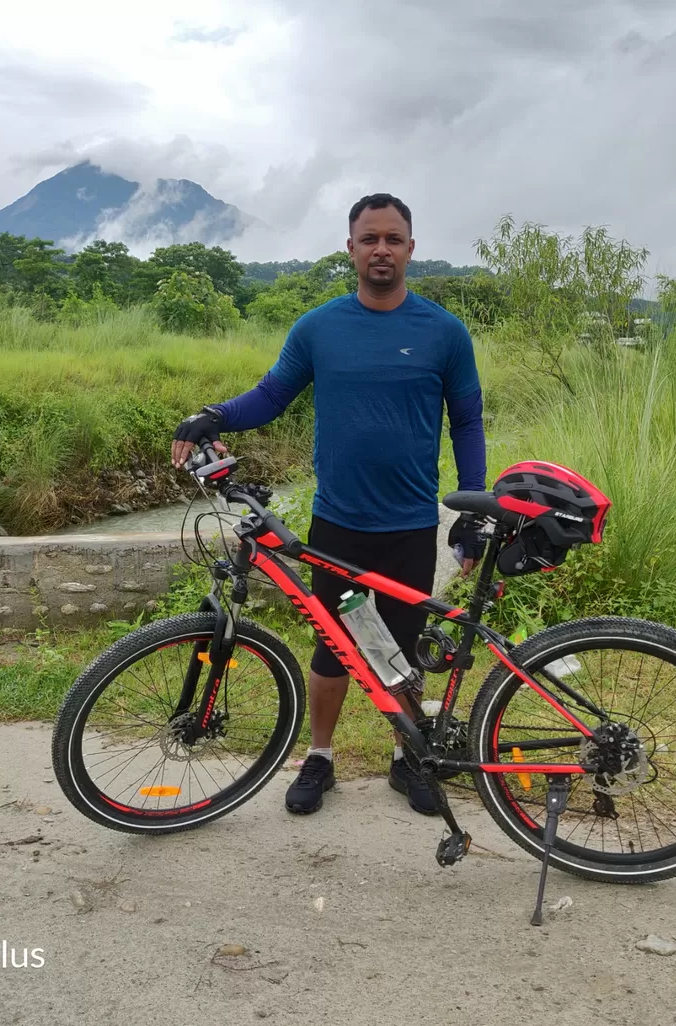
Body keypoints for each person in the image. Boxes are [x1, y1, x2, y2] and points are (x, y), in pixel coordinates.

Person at [170, 193, 488, 816]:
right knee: (333, 646)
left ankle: (407, 757)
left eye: (393, 239)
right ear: (350, 248)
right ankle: (320, 756)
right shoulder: (318, 327)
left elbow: (468, 422)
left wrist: (474, 511)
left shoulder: (445, 333)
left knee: (400, 643)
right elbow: (271, 396)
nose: (381, 250)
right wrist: (213, 416)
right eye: (369, 239)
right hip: (337, 521)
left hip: (411, 520)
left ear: (411, 249)